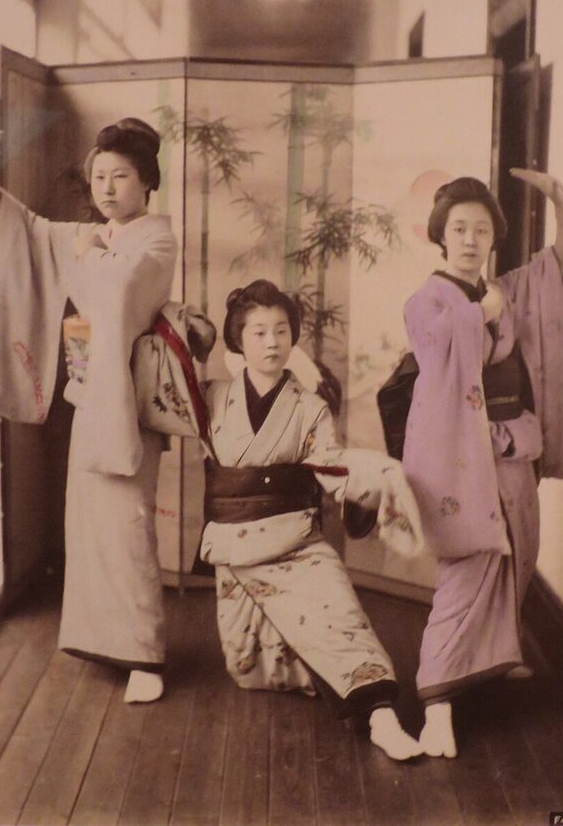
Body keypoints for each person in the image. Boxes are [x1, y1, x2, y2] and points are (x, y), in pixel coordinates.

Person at [134, 278, 426, 759]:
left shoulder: (310, 409)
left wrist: (368, 483)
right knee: (247, 668)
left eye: (282, 331)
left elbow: (332, 468)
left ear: (293, 338)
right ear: (239, 341)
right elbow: (159, 389)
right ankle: (324, 668)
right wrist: (182, 329)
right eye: (258, 332)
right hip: (234, 549)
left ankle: (380, 716)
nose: (272, 342)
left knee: (340, 618)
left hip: (296, 544)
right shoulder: (211, 398)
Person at [0, 118, 177, 703]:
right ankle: (102, 639)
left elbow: (113, 298)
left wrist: (87, 257)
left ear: (147, 182)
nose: (107, 188)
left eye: (121, 177)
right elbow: (28, 230)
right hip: (95, 402)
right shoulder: (100, 235)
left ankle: (146, 656)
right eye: (100, 177)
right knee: (91, 527)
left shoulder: (155, 241)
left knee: (129, 528)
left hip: (128, 408)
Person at [401, 170, 563, 757]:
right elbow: (438, 355)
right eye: (459, 228)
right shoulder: (427, 299)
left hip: (511, 443)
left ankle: (497, 658)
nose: (470, 239)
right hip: (460, 454)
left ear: (492, 238)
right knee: (467, 570)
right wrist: (480, 314)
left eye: (481, 229)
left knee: (518, 551)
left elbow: (562, 262)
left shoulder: (504, 285)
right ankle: (437, 706)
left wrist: (560, 199)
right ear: (440, 235)